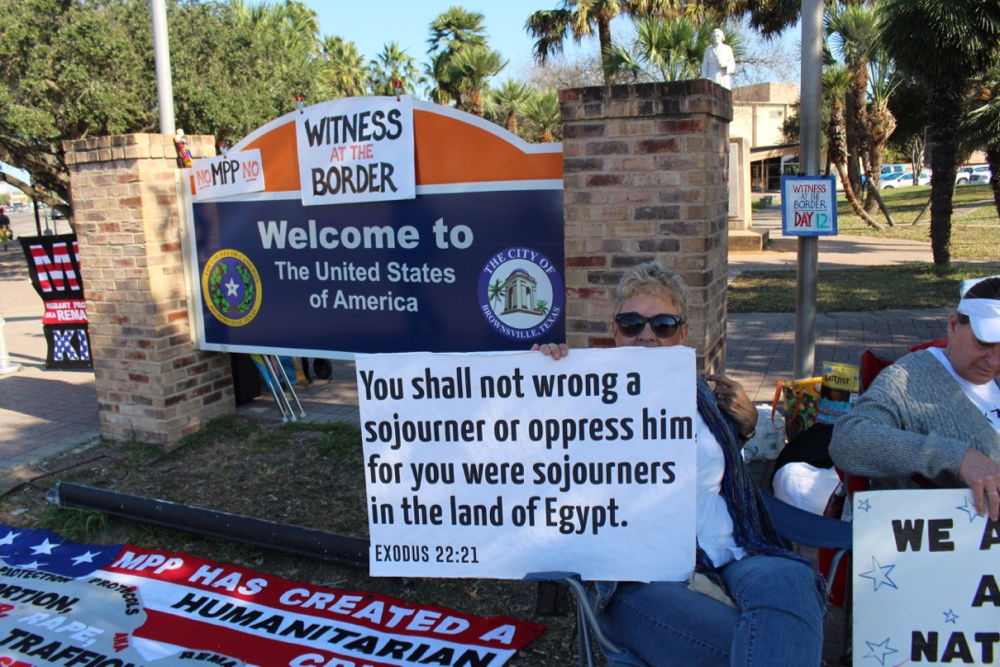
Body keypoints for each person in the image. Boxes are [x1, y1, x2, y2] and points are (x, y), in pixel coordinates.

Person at [534, 261, 825, 667]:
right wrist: (536, 383)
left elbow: (715, 473)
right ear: (616, 332)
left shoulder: (704, 399)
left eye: (663, 325)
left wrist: (743, 429)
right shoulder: (583, 400)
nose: (647, 337)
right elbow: (536, 462)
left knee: (793, 583)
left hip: (733, 552)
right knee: (766, 648)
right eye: (632, 324)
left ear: (683, 333)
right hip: (642, 576)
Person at [830, 276, 1000, 521]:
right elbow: (848, 440)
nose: (994, 361)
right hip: (948, 542)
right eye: (983, 343)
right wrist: (958, 457)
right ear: (953, 326)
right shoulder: (908, 380)